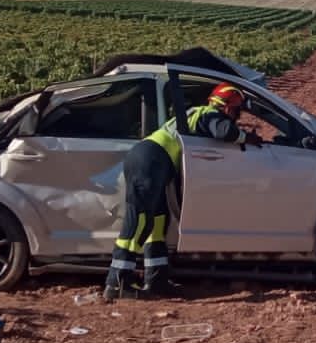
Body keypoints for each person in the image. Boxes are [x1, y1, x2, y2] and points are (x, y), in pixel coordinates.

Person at [104, 83, 255, 301]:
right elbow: (225, 132)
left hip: (154, 161)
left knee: (157, 222)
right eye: (237, 111)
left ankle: (156, 280)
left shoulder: (198, 113)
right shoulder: (209, 114)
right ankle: (117, 282)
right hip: (150, 160)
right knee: (140, 221)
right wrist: (246, 138)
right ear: (227, 107)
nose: (237, 116)